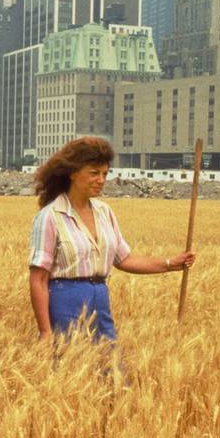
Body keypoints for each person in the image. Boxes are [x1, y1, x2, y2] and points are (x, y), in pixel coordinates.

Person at [28, 137, 195, 343]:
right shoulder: (50, 216)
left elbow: (124, 260)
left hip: (100, 299)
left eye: (105, 174)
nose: (101, 180)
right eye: (94, 173)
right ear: (72, 173)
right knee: (68, 365)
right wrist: (45, 331)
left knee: (110, 367)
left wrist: (170, 264)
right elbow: (38, 279)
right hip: (65, 300)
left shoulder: (104, 212)